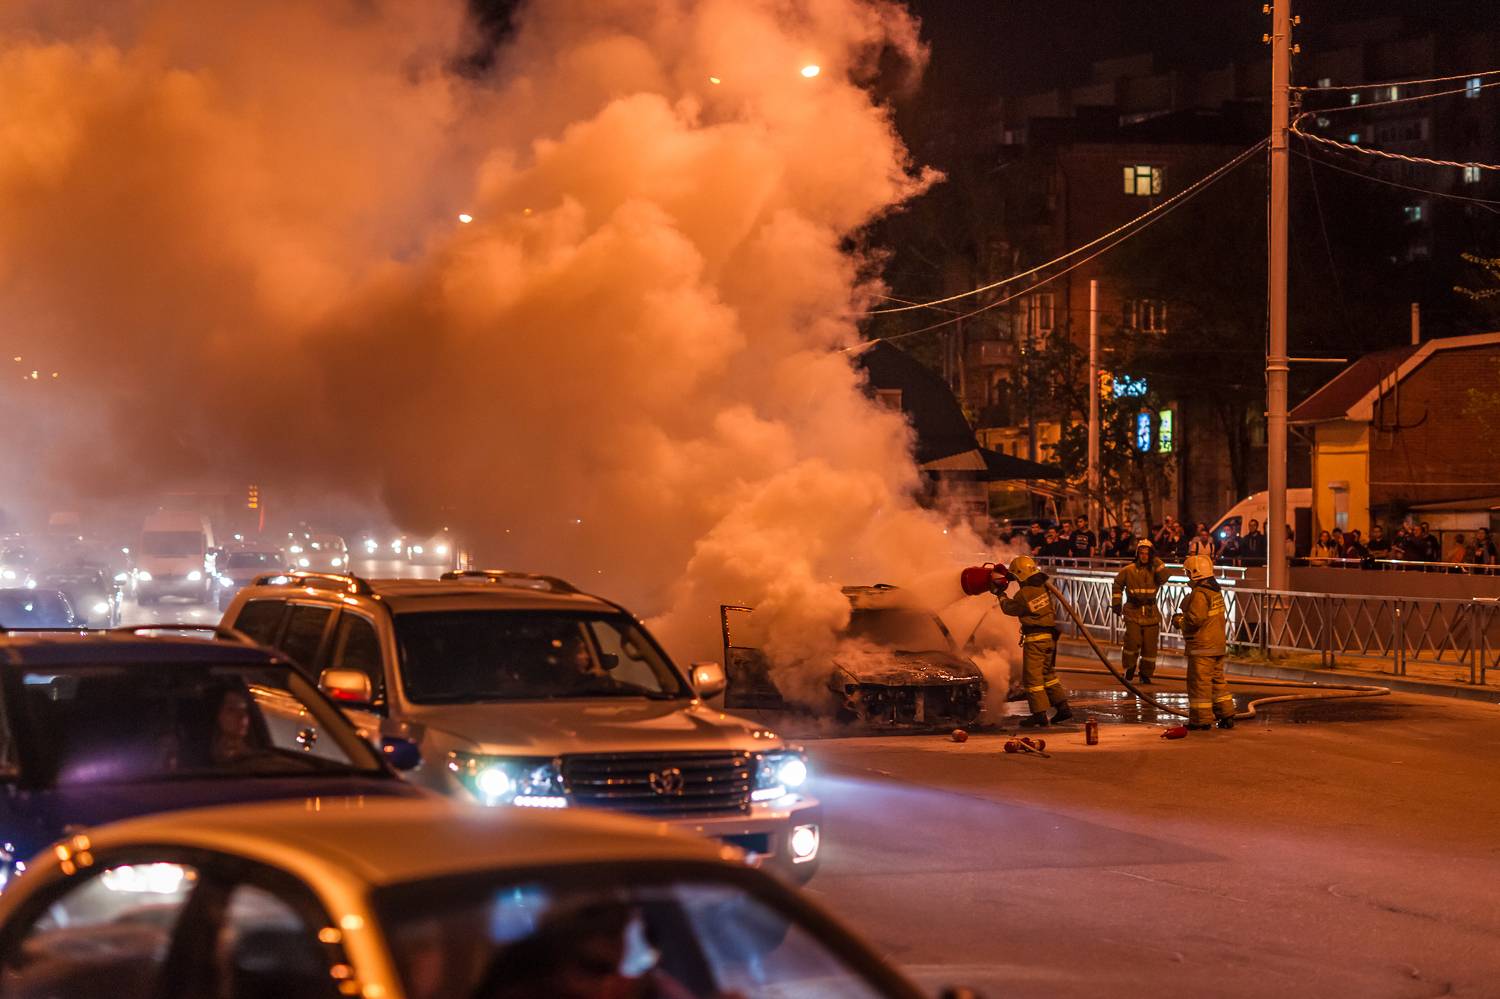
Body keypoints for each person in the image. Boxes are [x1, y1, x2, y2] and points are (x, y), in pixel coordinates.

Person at [996, 555, 1072, 728]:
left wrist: (1000, 595)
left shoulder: (1024, 594)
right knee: (1048, 675)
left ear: (1021, 575)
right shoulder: (1042, 588)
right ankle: (1063, 708)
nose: (1016, 581)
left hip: (1035, 640)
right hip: (1049, 638)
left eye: (1016, 577)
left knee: (1032, 678)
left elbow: (1010, 608)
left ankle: (1039, 714)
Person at [1172, 554, 1234, 731]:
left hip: (1202, 648)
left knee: (1199, 684)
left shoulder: (1200, 594)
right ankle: (1226, 714)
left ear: (1195, 573)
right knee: (1217, 682)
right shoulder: (1214, 591)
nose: (1187, 575)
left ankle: (1201, 720)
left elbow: (1194, 620)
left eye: (1188, 572)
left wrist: (1179, 621)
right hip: (1216, 645)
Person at [1111, 539, 1172, 683]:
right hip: (1133, 611)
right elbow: (1117, 584)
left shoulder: (1155, 570)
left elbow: (1165, 577)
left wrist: (1155, 560)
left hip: (1151, 613)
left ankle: (1145, 674)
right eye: (1141, 553)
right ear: (1137, 554)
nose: (1144, 556)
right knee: (1132, 641)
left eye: (1147, 553)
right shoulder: (1128, 570)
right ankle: (1129, 668)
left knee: (1150, 647)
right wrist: (1116, 603)